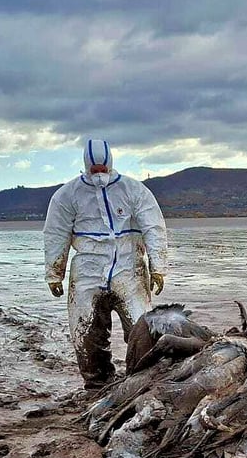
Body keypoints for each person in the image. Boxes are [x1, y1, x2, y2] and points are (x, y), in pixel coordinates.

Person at [44, 139, 169, 389]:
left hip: (129, 269)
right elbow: (56, 232)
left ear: (110, 163)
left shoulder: (134, 191)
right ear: (87, 166)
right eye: (95, 170)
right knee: (86, 332)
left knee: (141, 328)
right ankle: (96, 383)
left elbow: (153, 227)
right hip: (87, 271)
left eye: (103, 169)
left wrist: (158, 267)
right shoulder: (67, 195)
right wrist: (54, 272)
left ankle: (141, 380)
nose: (99, 174)